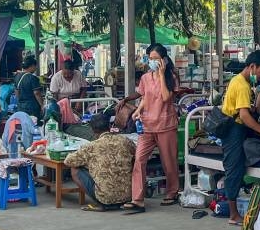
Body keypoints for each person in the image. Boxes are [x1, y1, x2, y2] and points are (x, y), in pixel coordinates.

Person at [220, 50, 260, 225]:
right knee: (234, 168)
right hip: (234, 130)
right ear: (252, 67)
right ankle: (233, 214)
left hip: (239, 128)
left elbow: (248, 112)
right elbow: (244, 116)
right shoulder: (242, 85)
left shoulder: (241, 81)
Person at [123, 43, 180, 214]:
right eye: (150, 58)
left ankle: (172, 192)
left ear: (164, 60)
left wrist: (162, 75)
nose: (152, 61)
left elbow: (165, 97)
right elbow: (146, 98)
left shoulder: (172, 77)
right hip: (147, 125)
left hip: (165, 125)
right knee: (139, 159)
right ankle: (137, 199)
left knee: (169, 162)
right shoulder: (145, 78)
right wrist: (138, 110)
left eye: (156, 58)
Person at [67, 114, 135, 212]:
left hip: (105, 198)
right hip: (128, 196)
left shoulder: (91, 146)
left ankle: (101, 202)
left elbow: (68, 161)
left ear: (93, 130)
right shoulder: (125, 141)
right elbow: (136, 154)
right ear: (109, 127)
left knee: (75, 169)